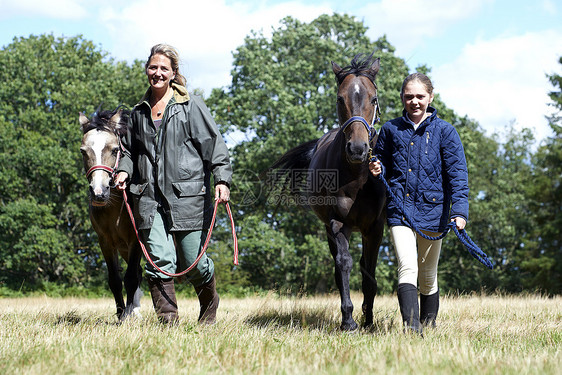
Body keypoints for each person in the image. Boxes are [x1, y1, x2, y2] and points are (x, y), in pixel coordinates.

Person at [114, 44, 232, 325]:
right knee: (158, 262)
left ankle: (209, 307)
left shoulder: (191, 107)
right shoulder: (138, 113)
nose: (157, 73)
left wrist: (222, 179)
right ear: (146, 70)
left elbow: (214, 145)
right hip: (148, 198)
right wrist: (123, 171)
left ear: (173, 73)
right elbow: (130, 153)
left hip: (188, 197)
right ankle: (168, 324)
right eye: (152, 67)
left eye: (163, 68)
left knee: (194, 263)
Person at [369, 72, 469, 334]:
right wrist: (377, 168)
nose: (414, 101)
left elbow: (458, 175)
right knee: (407, 266)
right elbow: (381, 163)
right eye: (408, 96)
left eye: (420, 96)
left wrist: (459, 212)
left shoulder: (446, 131)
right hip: (399, 209)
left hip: (434, 212)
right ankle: (412, 328)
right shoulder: (390, 130)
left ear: (431, 97)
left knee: (427, 275)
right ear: (402, 97)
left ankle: (429, 324)